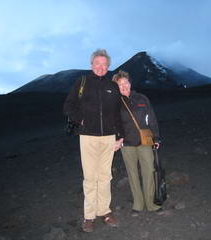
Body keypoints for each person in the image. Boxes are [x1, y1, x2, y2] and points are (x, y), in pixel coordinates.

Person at [63, 49, 124, 233]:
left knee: (105, 176)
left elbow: (117, 113)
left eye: (104, 64)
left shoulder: (112, 87)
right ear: (91, 65)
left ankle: (104, 211)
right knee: (90, 178)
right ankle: (89, 216)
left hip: (108, 138)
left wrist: (120, 136)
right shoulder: (82, 82)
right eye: (97, 63)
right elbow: (68, 105)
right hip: (88, 137)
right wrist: (80, 120)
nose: (101, 67)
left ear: (108, 66)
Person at [112, 70, 163, 216]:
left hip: (144, 142)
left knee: (149, 171)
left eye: (125, 83)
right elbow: (112, 124)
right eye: (120, 84)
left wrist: (157, 138)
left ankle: (151, 204)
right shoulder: (115, 103)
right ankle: (138, 204)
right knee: (132, 174)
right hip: (126, 144)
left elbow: (151, 119)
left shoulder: (142, 98)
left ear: (130, 83)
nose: (123, 86)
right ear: (116, 87)